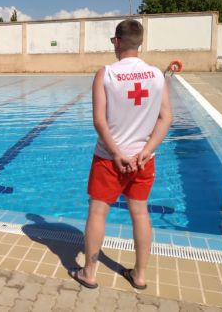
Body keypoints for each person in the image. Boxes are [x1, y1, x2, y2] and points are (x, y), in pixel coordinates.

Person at [70, 19, 172, 290]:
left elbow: (99, 121)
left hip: (108, 160)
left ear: (116, 41)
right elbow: (166, 118)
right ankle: (139, 276)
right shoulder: (155, 75)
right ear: (140, 43)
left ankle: (89, 272)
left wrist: (116, 154)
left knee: (97, 212)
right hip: (143, 160)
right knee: (139, 214)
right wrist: (147, 151)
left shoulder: (106, 74)